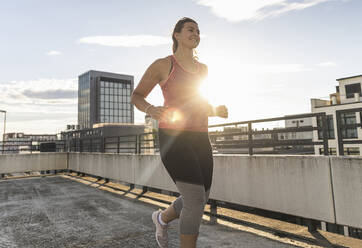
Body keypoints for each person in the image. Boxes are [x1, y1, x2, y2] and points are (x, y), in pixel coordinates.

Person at [131, 17, 228, 248]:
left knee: (200, 198)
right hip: (173, 139)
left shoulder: (203, 70)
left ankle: (162, 218)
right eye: (190, 29)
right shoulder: (164, 65)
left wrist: (215, 110)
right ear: (176, 35)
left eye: (198, 30)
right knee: (194, 201)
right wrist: (151, 109)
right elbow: (137, 96)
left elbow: (195, 104)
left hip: (200, 138)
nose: (196, 33)